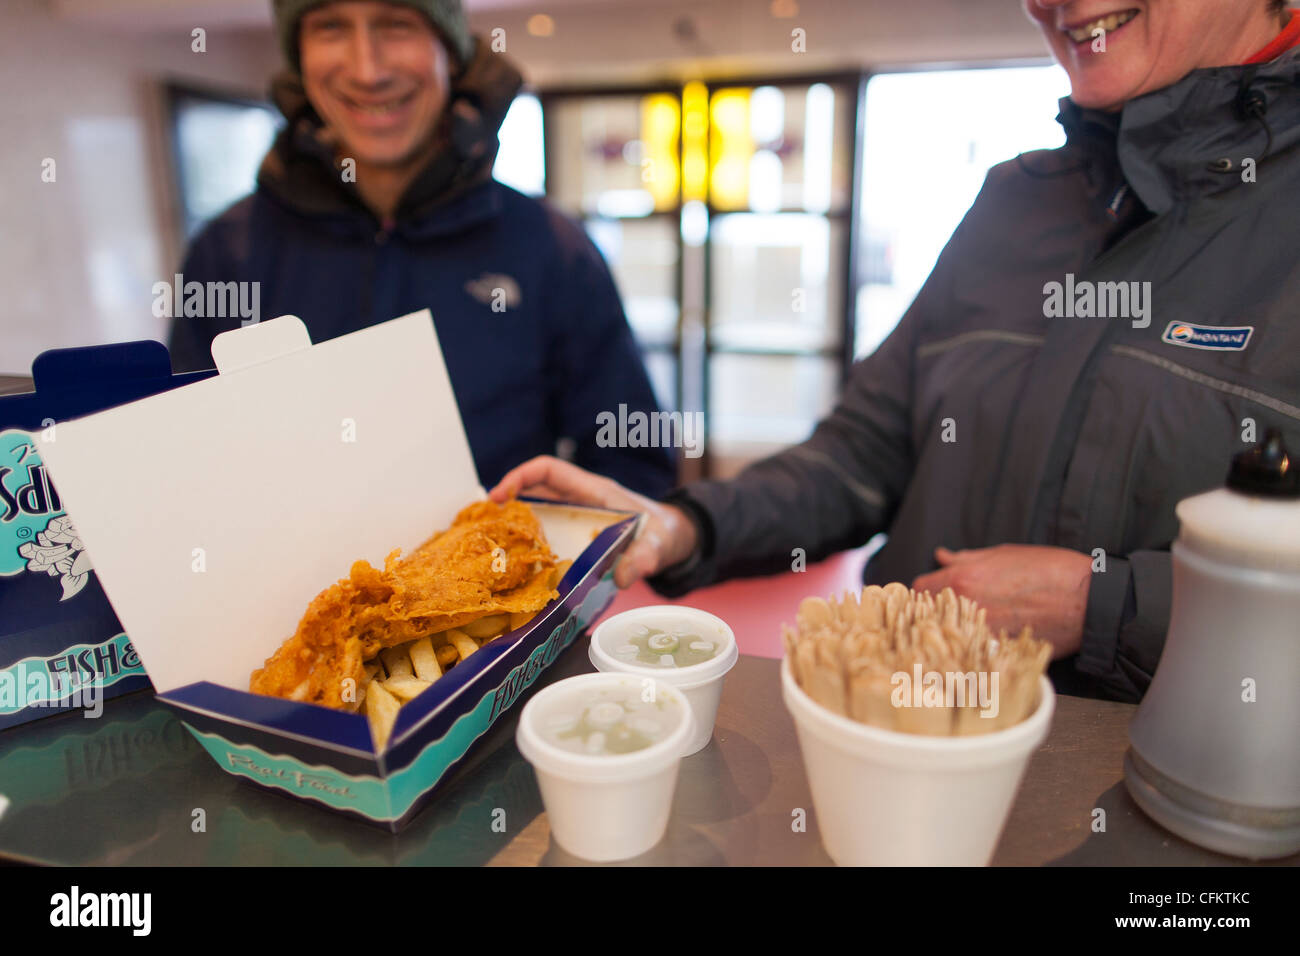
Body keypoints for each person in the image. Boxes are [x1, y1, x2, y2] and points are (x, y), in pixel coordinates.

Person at [491, 0, 1300, 703]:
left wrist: (1103, 606)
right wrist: (677, 526)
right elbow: (860, 455)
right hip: (892, 726)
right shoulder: (1017, 199)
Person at [168, 0, 675, 498]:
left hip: (499, 570)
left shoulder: (551, 245)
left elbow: (632, 460)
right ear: (298, 56)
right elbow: (185, 462)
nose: (368, 70)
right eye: (330, 26)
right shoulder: (225, 251)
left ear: (449, 50)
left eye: (397, 23)